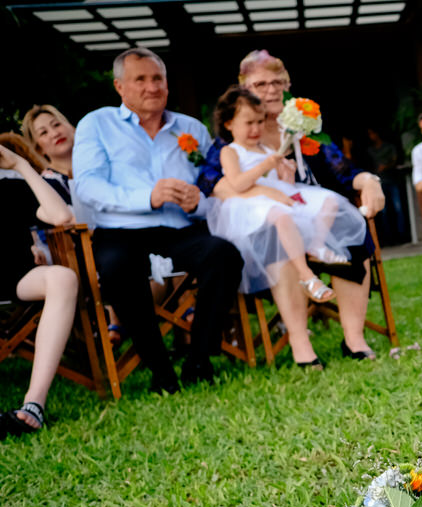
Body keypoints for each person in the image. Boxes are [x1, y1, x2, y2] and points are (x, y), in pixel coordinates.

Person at [199, 49, 387, 362]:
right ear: (244, 87)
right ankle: (301, 344)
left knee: (351, 235)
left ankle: (354, 340)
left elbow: (343, 171)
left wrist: (369, 181)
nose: (270, 90)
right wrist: (259, 191)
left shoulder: (302, 126)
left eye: (277, 82)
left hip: (310, 212)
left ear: (287, 85)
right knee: (279, 240)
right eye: (260, 84)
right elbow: (208, 183)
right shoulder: (232, 138)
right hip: (265, 219)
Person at [73, 47, 242, 394]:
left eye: (158, 78)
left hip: (180, 228)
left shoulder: (191, 127)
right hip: (120, 230)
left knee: (223, 255)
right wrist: (146, 197)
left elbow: (214, 187)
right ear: (120, 87)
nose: (152, 87)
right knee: (119, 267)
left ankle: (199, 357)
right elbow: (88, 185)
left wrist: (200, 201)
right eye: (141, 79)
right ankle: (159, 368)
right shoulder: (97, 123)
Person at [207, 87, 366, 317]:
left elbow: (282, 184)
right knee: (281, 215)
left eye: (260, 122)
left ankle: (317, 245)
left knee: (329, 201)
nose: (256, 129)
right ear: (229, 124)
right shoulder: (230, 152)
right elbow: (239, 184)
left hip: (277, 195)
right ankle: (306, 276)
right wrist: (266, 165)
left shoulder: (265, 148)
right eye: (248, 123)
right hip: (250, 204)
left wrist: (286, 174)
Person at [0, 137, 76, 438]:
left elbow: (61, 217)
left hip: (13, 276)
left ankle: (33, 404)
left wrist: (20, 165)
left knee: (63, 277)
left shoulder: (10, 187)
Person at [21, 104, 74, 203]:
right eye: (43, 132)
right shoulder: (47, 185)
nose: (55, 134)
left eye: (56, 125)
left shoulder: (100, 159)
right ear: (38, 148)